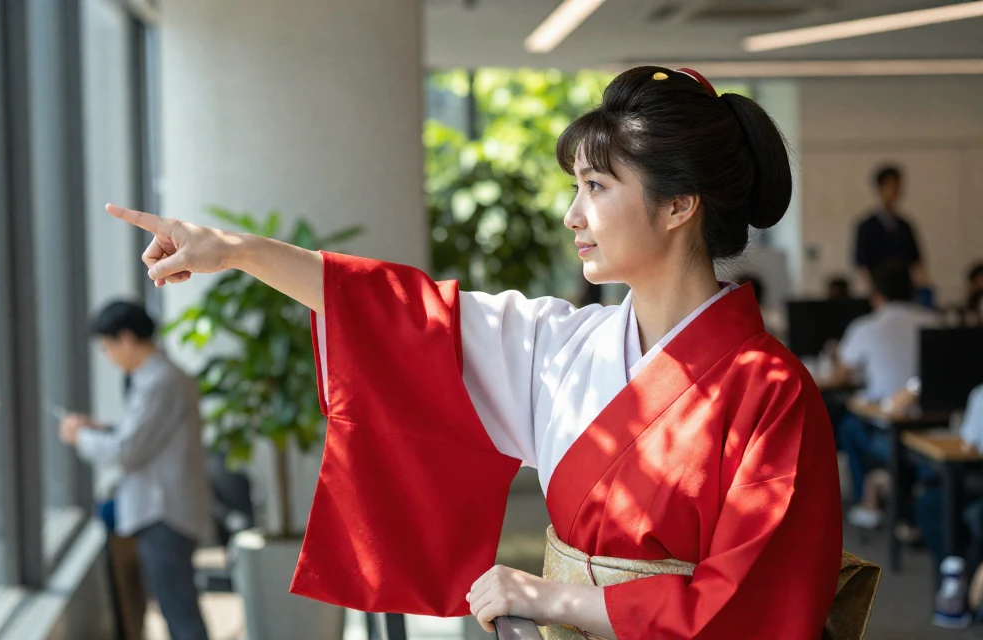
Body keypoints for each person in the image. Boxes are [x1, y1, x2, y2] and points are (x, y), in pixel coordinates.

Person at [106, 66, 846, 639]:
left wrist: (555, 597)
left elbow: (757, 607)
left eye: (595, 185)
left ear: (681, 205)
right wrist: (239, 251)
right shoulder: (568, 344)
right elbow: (405, 315)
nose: (572, 214)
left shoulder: (772, 392)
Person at [59, 301, 211, 640]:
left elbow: (127, 452)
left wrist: (79, 436)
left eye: (107, 347)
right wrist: (102, 429)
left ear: (126, 339)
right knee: (178, 607)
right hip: (169, 507)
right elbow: (144, 437)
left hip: (164, 512)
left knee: (179, 612)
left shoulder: (159, 381)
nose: (109, 356)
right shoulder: (163, 377)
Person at [834, 261, 942, 529]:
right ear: (914, 291)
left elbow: (841, 376)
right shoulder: (937, 321)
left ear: (876, 295)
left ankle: (867, 501)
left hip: (890, 432)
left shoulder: (866, 327)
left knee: (848, 427)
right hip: (935, 427)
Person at [853, 165, 926, 294]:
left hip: (905, 291)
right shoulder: (866, 227)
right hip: (879, 290)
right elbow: (862, 265)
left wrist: (921, 287)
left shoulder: (905, 225)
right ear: (880, 188)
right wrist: (873, 292)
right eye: (892, 186)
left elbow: (916, 262)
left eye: (898, 186)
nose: (896, 191)